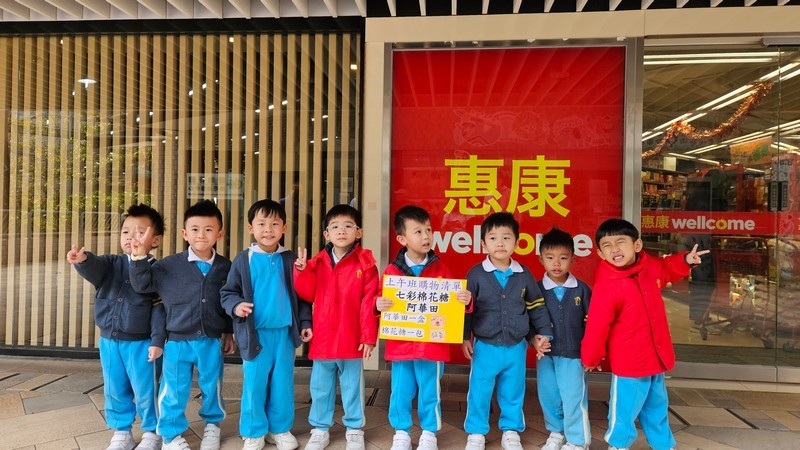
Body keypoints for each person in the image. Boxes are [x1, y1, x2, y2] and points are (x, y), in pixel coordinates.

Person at [581, 218, 708, 450]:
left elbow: (667, 268)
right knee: (624, 408)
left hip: (655, 355)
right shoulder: (607, 285)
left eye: (621, 242)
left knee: (656, 405)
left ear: (637, 245)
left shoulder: (648, 267)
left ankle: (662, 444)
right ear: (600, 253)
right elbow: (597, 326)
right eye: (607, 245)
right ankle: (618, 444)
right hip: (630, 361)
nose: (615, 249)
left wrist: (685, 261)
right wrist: (591, 356)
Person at [129, 199, 235, 450]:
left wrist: (229, 331)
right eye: (195, 229)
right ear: (185, 233)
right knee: (173, 389)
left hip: (210, 340)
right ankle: (170, 435)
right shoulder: (168, 265)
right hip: (177, 341)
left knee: (212, 385)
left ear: (219, 234)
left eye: (208, 229)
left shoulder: (225, 267)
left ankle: (212, 426)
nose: (201, 235)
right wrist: (140, 256)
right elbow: (142, 285)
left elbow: (229, 298)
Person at [66, 204, 166, 450]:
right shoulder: (112, 263)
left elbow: (159, 309)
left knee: (147, 388)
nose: (131, 237)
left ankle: (153, 431)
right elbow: (95, 267)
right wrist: (83, 260)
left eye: (140, 232)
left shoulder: (158, 271)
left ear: (155, 240)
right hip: (110, 340)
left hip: (142, 343)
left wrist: (157, 340)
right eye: (126, 232)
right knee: (114, 387)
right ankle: (122, 431)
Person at [375, 205, 472, 450]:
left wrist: (465, 301)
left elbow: (454, 304)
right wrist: (378, 304)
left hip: (432, 346)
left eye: (428, 230)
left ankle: (429, 432)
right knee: (400, 390)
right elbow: (378, 302)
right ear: (402, 239)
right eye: (418, 231)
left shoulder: (441, 269)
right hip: (401, 347)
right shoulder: (391, 272)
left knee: (430, 391)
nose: (426, 236)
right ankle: (401, 432)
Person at [220, 199, 313, 450]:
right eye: (262, 224)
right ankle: (253, 431)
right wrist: (236, 306)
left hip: (284, 334)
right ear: (251, 228)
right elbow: (228, 292)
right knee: (255, 383)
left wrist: (305, 321)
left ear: (284, 228)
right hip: (255, 335)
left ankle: (279, 429)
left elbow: (303, 296)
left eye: (274, 224)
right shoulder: (244, 259)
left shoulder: (290, 259)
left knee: (283, 383)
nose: (268, 229)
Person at [461, 212, 554, 450]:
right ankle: (476, 432)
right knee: (480, 391)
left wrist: (543, 333)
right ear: (484, 244)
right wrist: (465, 338)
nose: (500, 243)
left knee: (513, 390)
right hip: (485, 346)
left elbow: (536, 306)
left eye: (506, 237)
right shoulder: (476, 274)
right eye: (493, 238)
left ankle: (511, 430)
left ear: (517, 242)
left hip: (516, 347)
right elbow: (466, 310)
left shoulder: (524, 275)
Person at [293, 204, 380, 450]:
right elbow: (307, 293)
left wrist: (368, 336)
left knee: (353, 387)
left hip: (352, 337)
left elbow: (369, 302)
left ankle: (354, 429)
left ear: (358, 232)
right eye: (335, 227)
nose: (341, 231)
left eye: (348, 226)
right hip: (323, 335)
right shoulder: (316, 262)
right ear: (326, 234)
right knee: (320, 386)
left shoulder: (366, 264)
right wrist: (301, 271)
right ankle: (320, 429)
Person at [535, 227, 592, 450]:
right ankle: (556, 432)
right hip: (546, 355)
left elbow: (593, 323)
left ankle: (578, 440)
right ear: (541, 259)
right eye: (550, 257)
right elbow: (529, 321)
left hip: (573, 354)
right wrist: (534, 340)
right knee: (548, 394)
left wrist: (592, 351)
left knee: (573, 396)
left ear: (573, 259)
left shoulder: (582, 290)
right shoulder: (536, 290)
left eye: (563, 258)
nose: (556, 263)